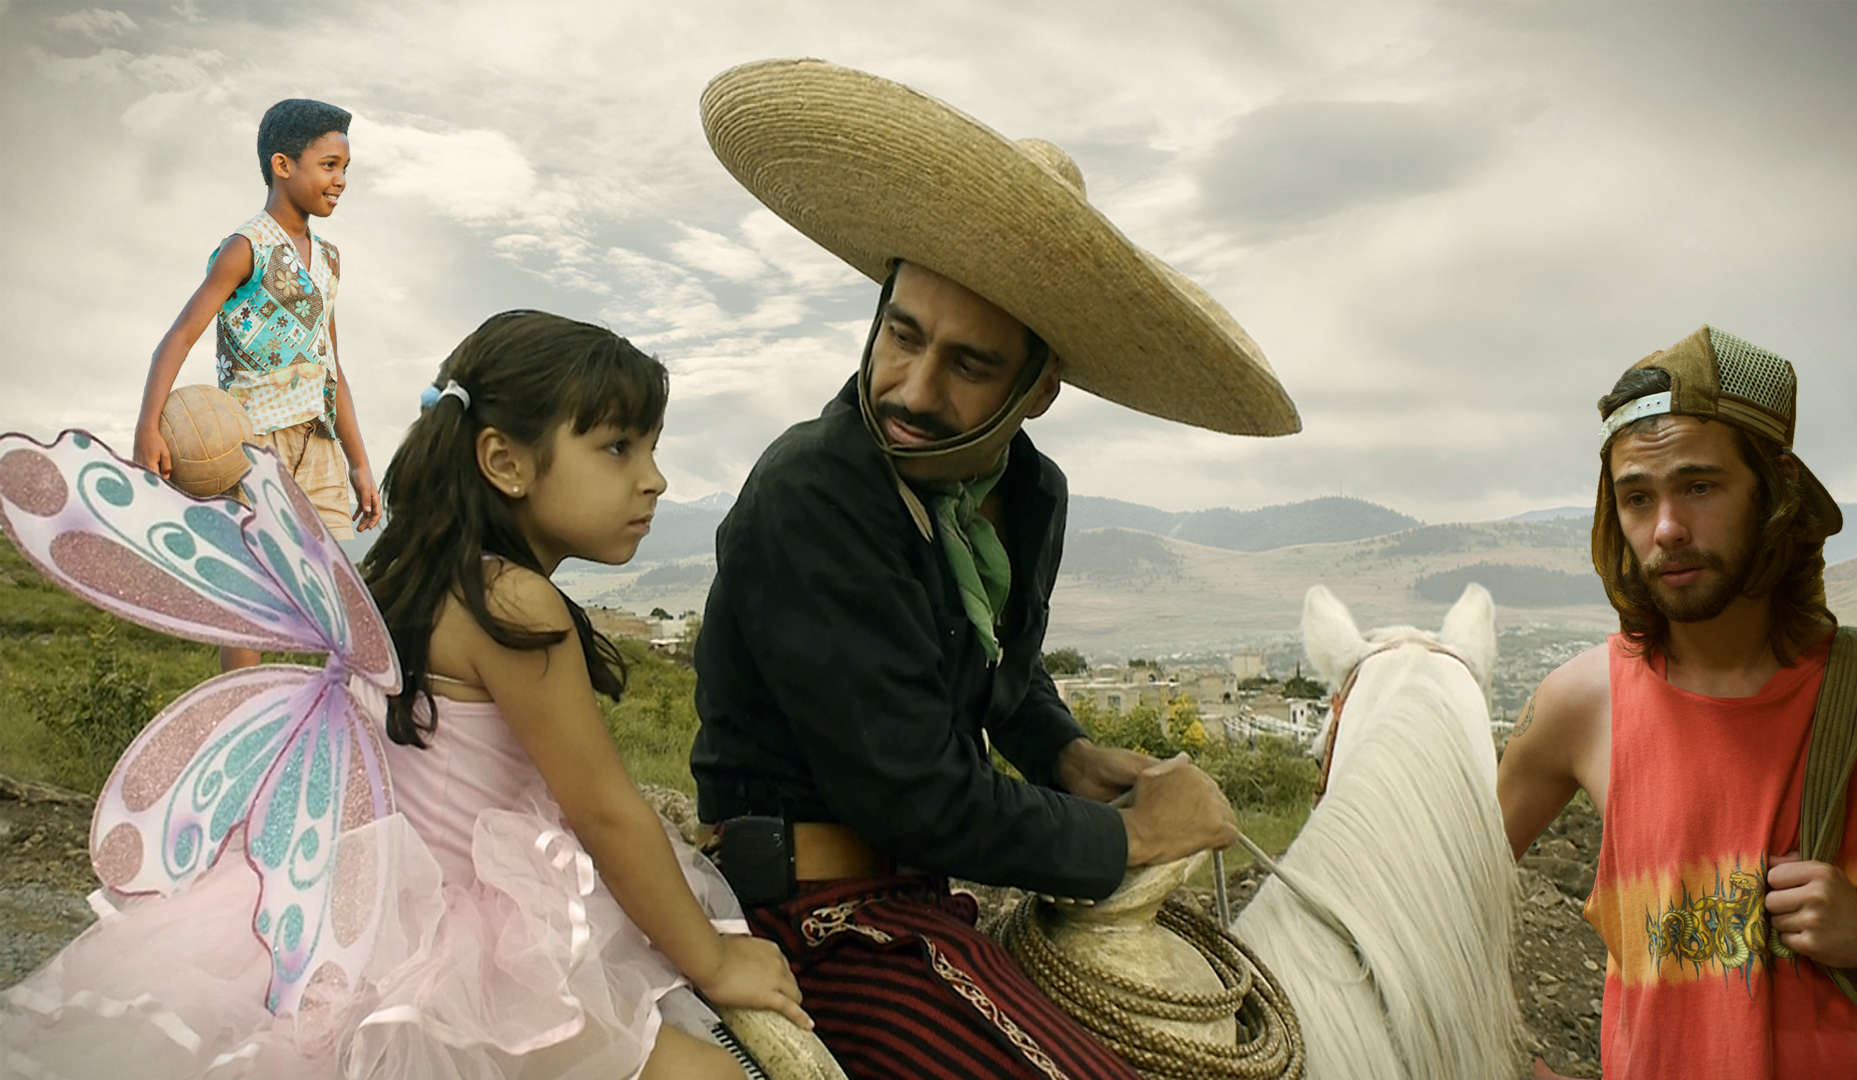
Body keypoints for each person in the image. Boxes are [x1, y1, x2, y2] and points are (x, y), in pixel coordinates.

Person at [690, 60, 1301, 1078]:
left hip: (917, 892)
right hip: (806, 915)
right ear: (878, 310)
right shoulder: (815, 496)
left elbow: (992, 671)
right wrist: (1130, 838)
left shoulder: (1028, 495)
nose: (912, 389)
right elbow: (914, 797)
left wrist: (1060, 751)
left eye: (968, 365)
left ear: (1038, 391)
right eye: (903, 335)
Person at [1, 311, 805, 1079]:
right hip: (458, 947)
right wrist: (716, 958)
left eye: (652, 449)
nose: (655, 480)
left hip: (371, 922)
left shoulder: (406, 582)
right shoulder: (517, 605)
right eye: (618, 448)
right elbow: (602, 809)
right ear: (505, 461)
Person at [1496, 325, 1857, 1079]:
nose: (1666, 529)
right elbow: (1433, 898)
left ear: (1777, 492)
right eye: (1636, 497)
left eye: (1699, 486)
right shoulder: (1580, 704)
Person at [131, 97, 381, 672]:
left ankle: (326, 730)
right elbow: (178, 337)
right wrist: (148, 427)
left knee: (338, 597)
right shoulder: (245, 247)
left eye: (346, 168)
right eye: (329, 165)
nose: (340, 180)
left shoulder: (330, 260)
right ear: (282, 164)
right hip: (250, 447)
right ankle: (245, 719)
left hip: (320, 452)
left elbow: (331, 366)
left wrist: (360, 461)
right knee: (252, 599)